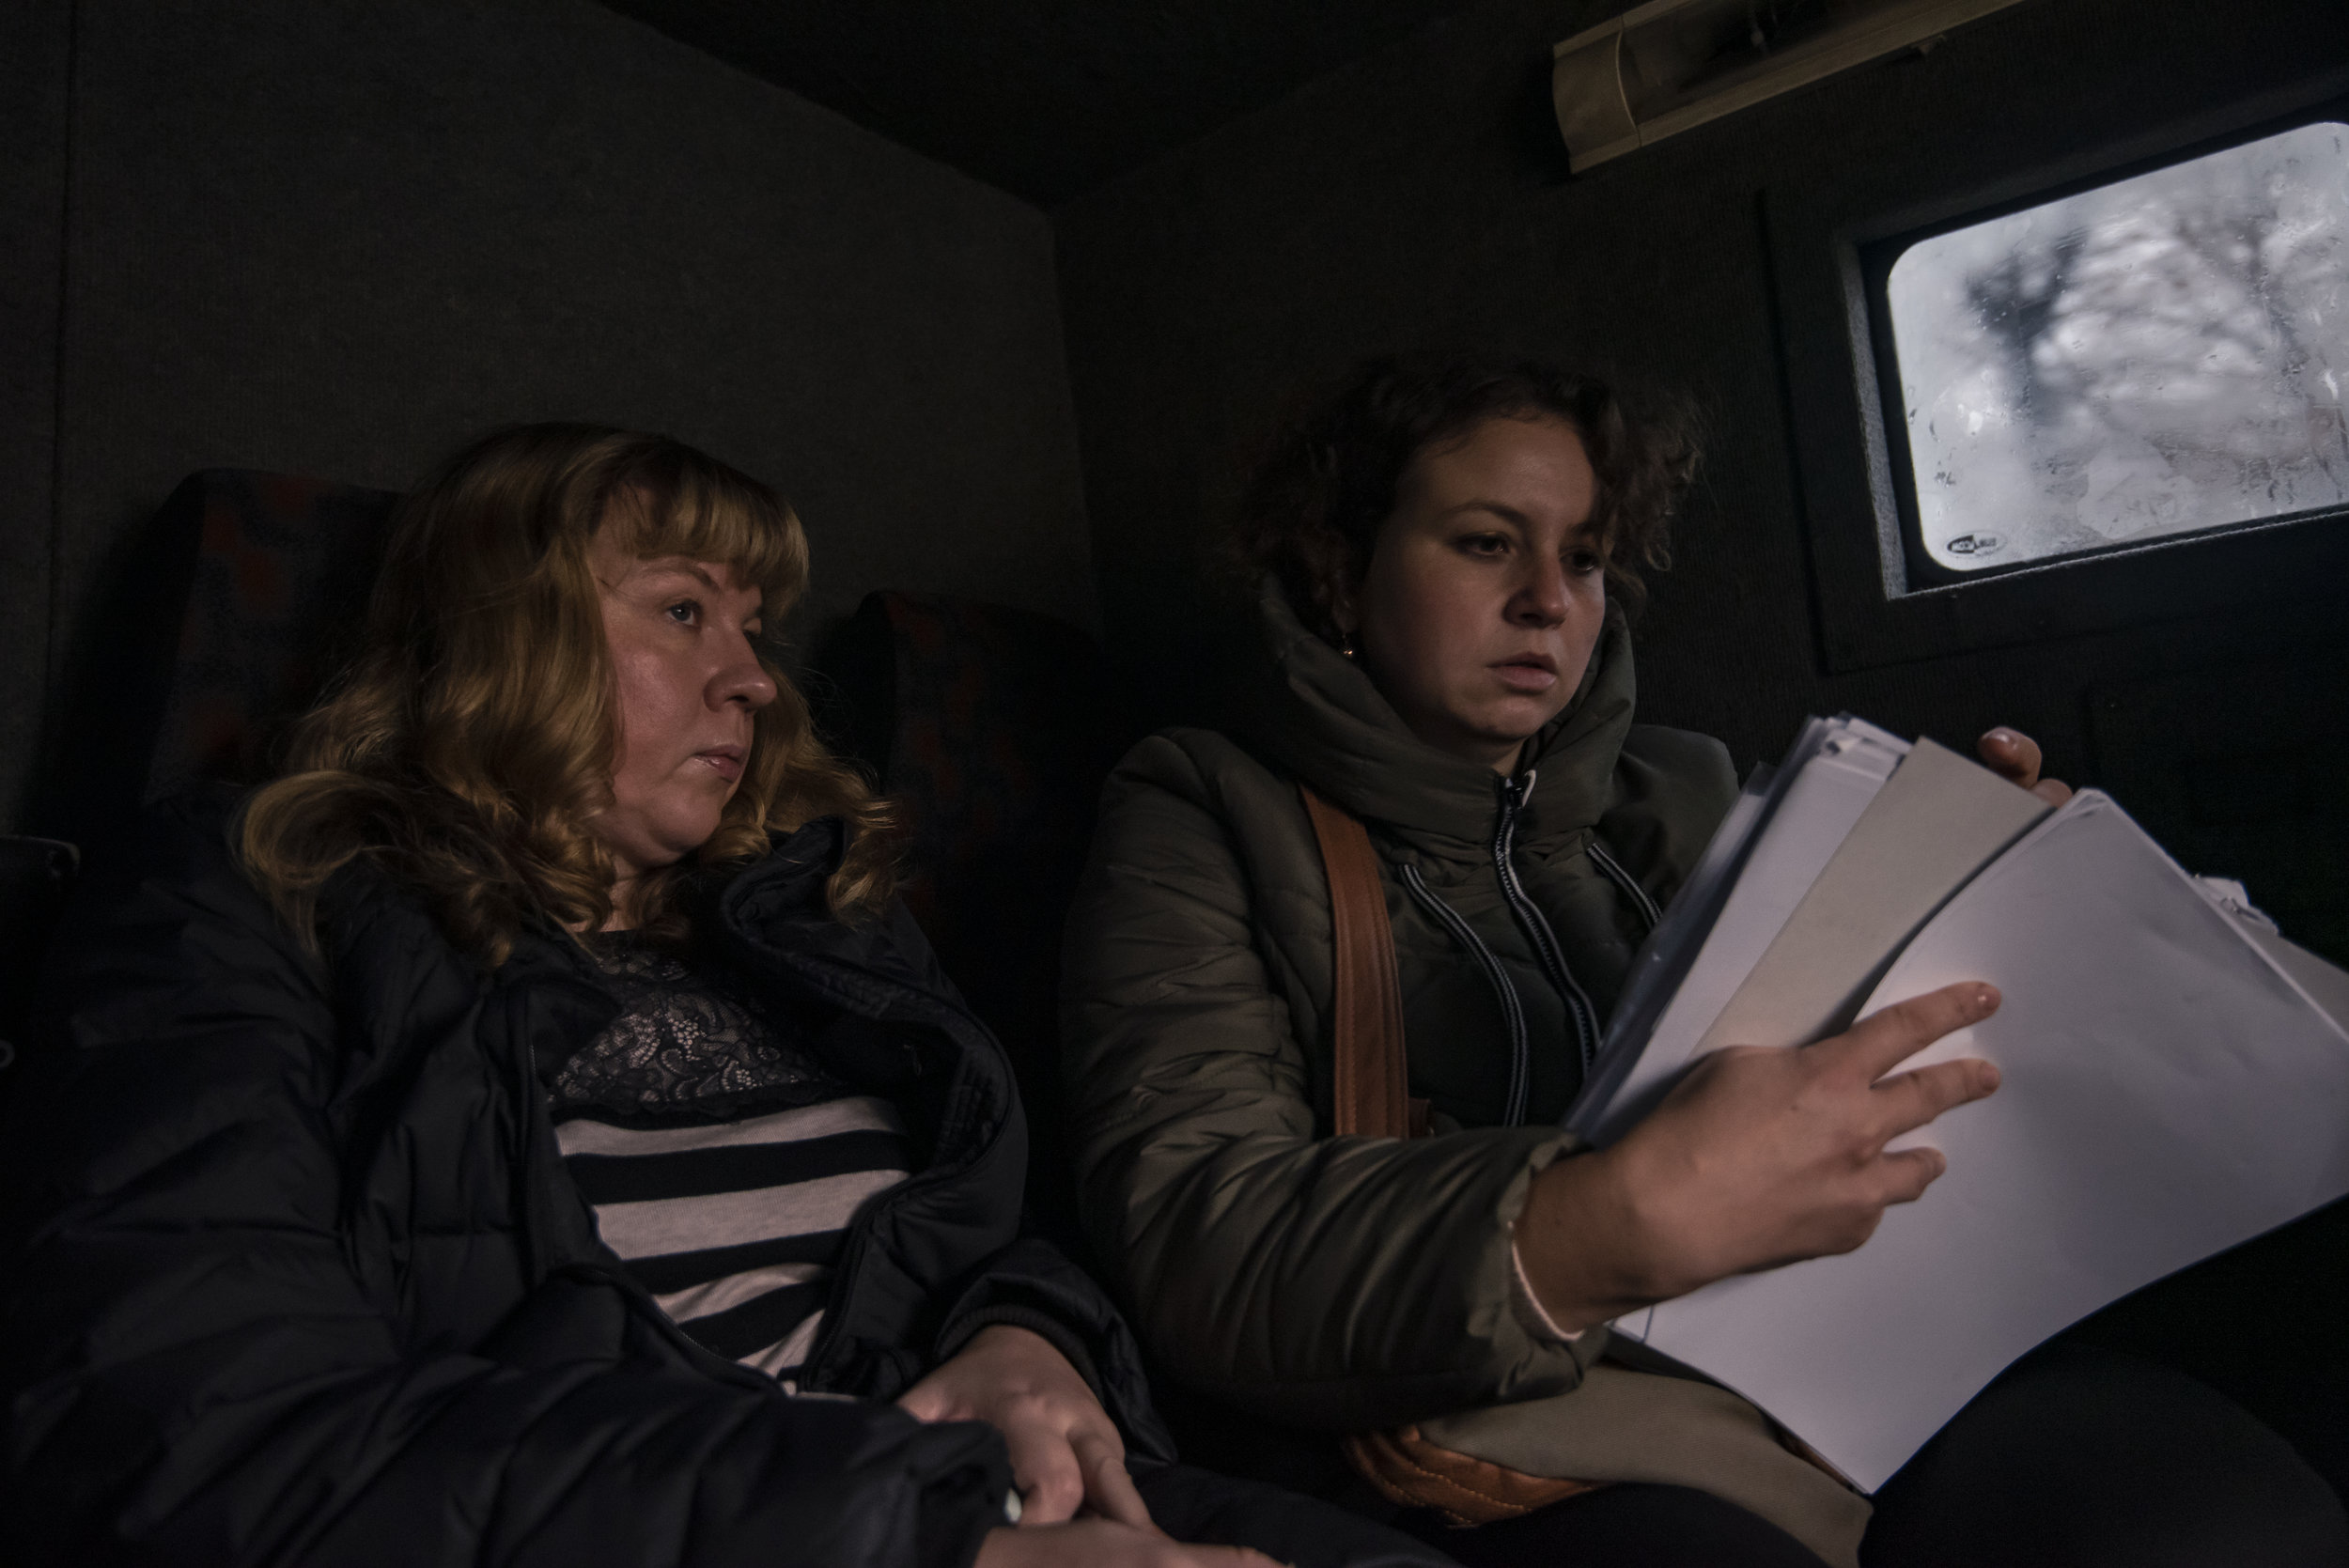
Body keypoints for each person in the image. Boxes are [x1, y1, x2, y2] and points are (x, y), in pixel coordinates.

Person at [0, 425, 1455, 1568]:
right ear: (506, 629)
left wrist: (1025, 1332)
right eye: (684, 609)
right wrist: (918, 1543)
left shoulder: (820, 925)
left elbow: (1002, 1236)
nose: (754, 679)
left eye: (753, 629)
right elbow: (181, 1432)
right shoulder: (246, 889)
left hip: (1003, 1489)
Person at [1058, 354, 2348, 1567]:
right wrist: (1592, 1226)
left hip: (1848, 1347)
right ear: (1342, 569)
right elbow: (1193, 1234)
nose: (1547, 600)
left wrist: (2008, 909)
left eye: (1586, 555)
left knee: (2233, 1517)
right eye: (1486, 541)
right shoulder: (1204, 809)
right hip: (1517, 1404)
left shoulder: (1680, 791)